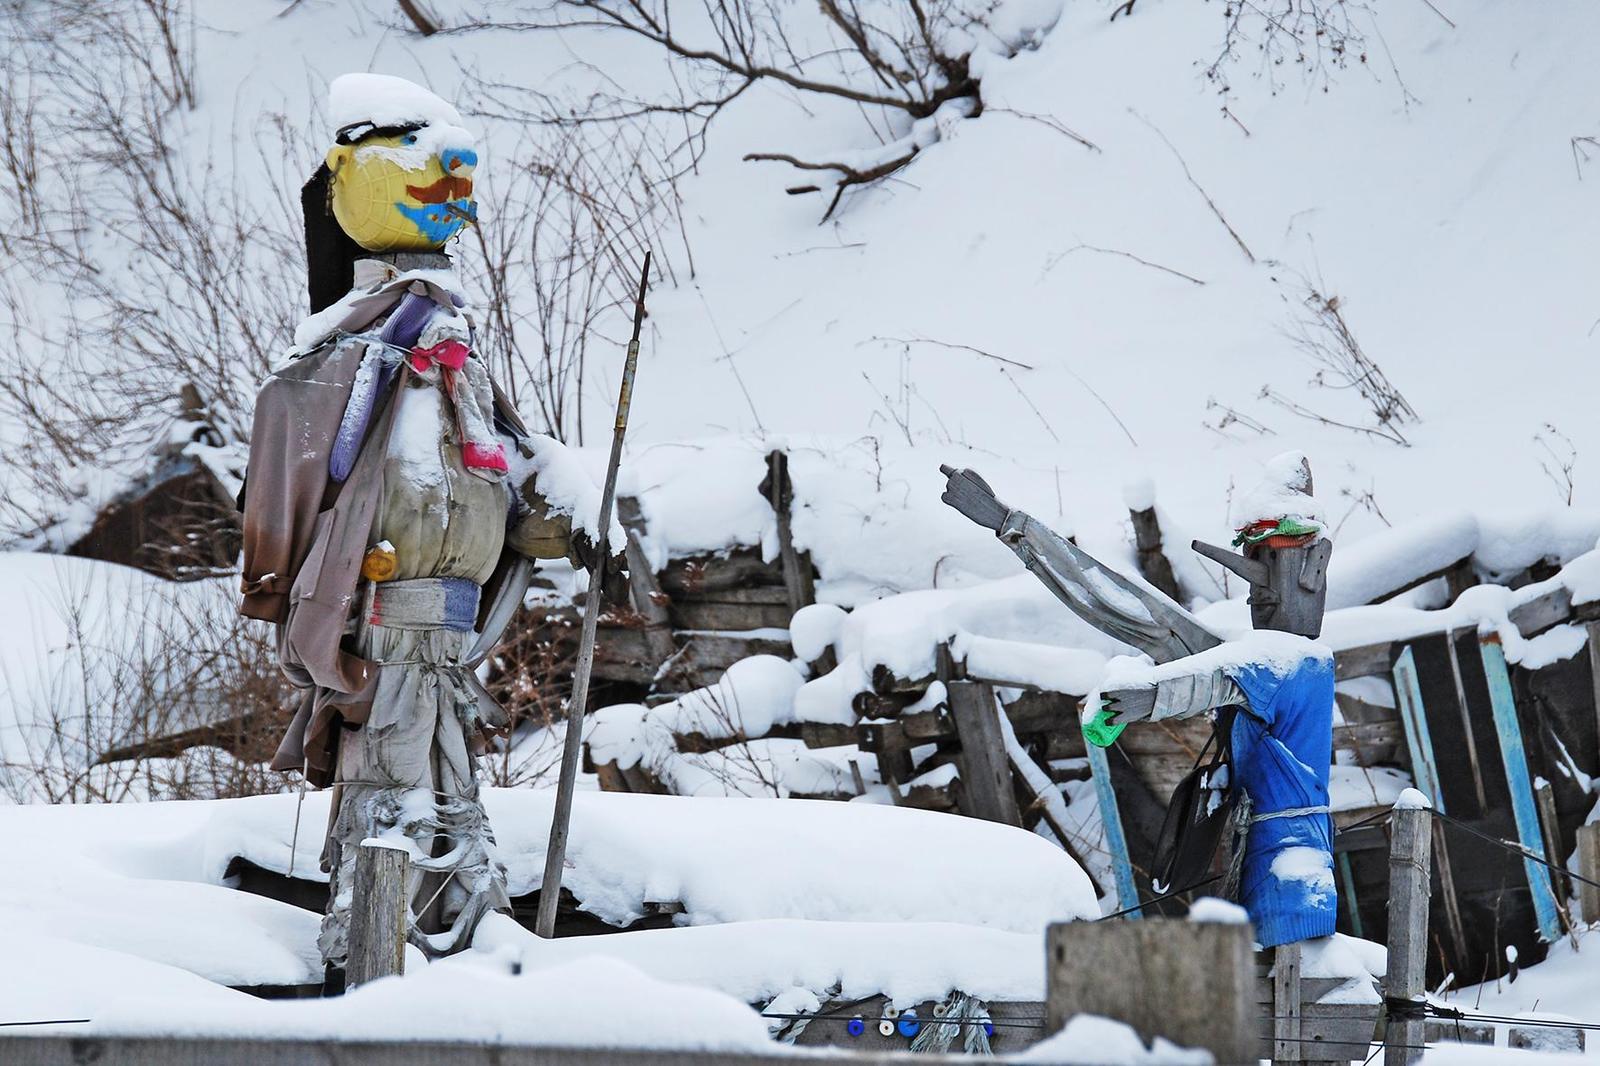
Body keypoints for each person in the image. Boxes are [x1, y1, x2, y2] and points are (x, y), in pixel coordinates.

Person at [239, 73, 607, 983]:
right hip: (382, 639)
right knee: (389, 803)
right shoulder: (337, 369)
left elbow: (507, 497)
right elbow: (282, 511)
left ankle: (460, 961)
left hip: (448, 646)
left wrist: (574, 524)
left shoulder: (461, 372)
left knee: (451, 803)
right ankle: (377, 973)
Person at [939, 451, 1336, 947]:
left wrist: (1144, 698)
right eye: (1255, 566)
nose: (1259, 590)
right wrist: (1012, 525)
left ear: (1314, 568)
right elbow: (1132, 610)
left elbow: (1201, 683)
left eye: (1274, 562)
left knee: (1292, 987)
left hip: (1292, 882)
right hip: (1254, 866)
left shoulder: (1294, 663)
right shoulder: (1264, 662)